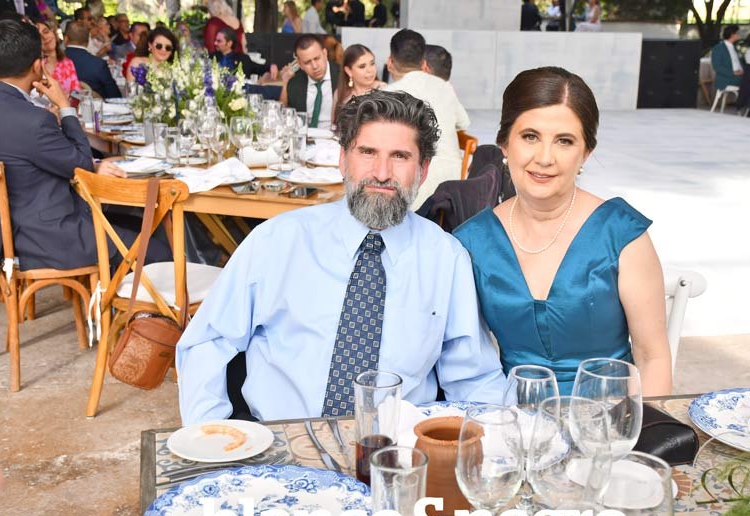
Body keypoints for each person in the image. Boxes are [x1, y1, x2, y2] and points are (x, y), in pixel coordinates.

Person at [177, 89, 505, 424]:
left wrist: (499, 437)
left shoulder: (446, 259)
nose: (381, 173)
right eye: (367, 152)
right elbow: (207, 341)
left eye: (400, 156)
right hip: (283, 442)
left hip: (395, 445)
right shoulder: (277, 241)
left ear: (422, 170)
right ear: (343, 160)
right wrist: (211, 436)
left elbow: (474, 378)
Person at [453, 67, 672, 397]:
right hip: (512, 418)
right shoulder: (472, 241)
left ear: (586, 153)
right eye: (530, 137)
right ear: (505, 144)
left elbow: (652, 358)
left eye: (564, 141)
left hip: (609, 419)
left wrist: (643, 427)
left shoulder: (621, 234)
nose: (544, 158)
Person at [0, 20, 170, 272]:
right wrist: (65, 106)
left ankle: (112, 295)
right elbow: (81, 163)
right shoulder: (34, 120)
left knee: (140, 224)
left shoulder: (25, 115)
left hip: (11, 235)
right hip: (49, 237)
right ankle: (125, 298)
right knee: (161, 252)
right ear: (37, 66)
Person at [385, 29, 470, 209]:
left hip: (413, 187)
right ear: (423, 62)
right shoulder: (444, 86)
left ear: (390, 61)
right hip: (453, 182)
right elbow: (464, 123)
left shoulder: (388, 94)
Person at [280, 34, 339, 129]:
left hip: (336, 135)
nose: (314, 66)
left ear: (325, 54)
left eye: (317, 58)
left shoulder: (342, 76)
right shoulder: (295, 82)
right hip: (305, 135)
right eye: (307, 62)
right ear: (300, 64)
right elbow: (283, 114)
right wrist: (285, 83)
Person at [64, 21, 121, 98]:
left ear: (65, 39)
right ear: (88, 42)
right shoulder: (99, 64)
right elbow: (115, 96)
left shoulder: (53, 61)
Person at [332, 44, 385, 121]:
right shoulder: (340, 93)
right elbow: (334, 125)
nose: (370, 70)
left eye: (372, 64)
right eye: (362, 66)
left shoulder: (384, 89)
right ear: (348, 71)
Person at [211, 28, 276, 78]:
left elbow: (259, 68)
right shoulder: (211, 57)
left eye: (219, 41)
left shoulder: (243, 59)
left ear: (229, 43)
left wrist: (271, 67)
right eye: (215, 40)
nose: (215, 43)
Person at [37, 21, 79, 95]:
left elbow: (76, 92)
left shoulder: (67, 62)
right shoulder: (36, 68)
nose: (44, 37)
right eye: (38, 37)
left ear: (53, 32)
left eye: (46, 32)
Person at [711, 24, 743, 91]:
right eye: (738, 33)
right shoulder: (718, 48)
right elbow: (717, 67)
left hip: (738, 76)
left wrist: (742, 70)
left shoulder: (734, 47)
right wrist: (733, 73)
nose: (739, 34)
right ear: (732, 35)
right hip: (726, 79)